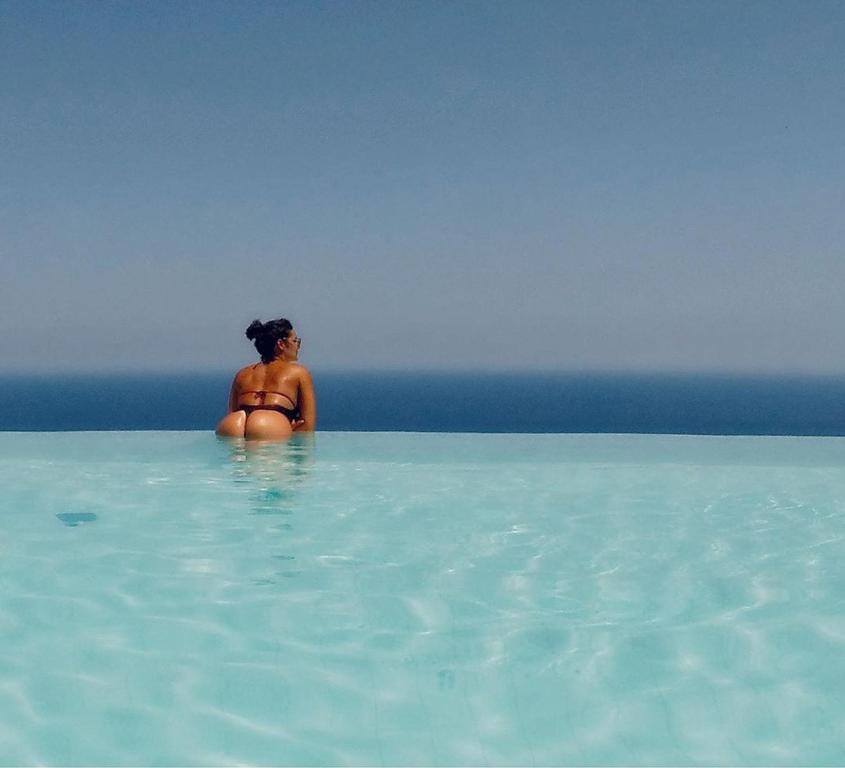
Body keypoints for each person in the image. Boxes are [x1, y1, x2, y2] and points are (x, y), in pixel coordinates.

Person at [216, 317, 316, 440]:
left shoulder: (242, 374)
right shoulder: (299, 372)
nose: (298, 346)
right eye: (296, 341)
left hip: (233, 424)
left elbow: (233, 410)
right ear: (281, 344)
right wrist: (284, 429)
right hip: (268, 426)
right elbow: (307, 426)